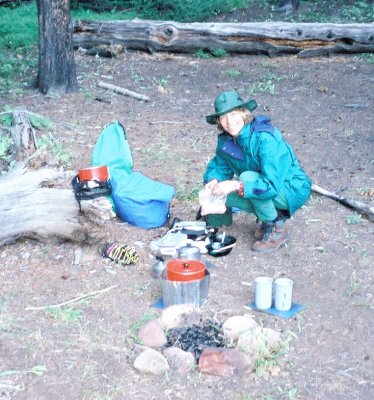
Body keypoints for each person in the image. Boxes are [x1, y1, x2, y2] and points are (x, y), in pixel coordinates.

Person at [203, 90, 311, 253]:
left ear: (243, 113)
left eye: (233, 114)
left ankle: (276, 227)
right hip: (261, 185)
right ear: (218, 120)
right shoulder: (227, 140)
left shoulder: (265, 138)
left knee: (246, 179)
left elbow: (271, 186)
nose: (229, 121)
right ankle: (220, 220)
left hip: (291, 188)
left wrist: (235, 185)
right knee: (217, 189)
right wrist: (214, 180)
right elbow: (219, 165)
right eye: (223, 117)